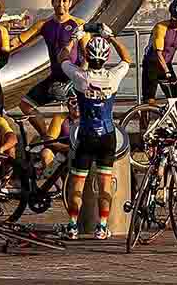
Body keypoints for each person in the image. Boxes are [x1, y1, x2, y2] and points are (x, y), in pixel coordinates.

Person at [61, 30, 132, 240]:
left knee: (77, 185)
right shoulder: (113, 76)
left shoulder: (80, 77)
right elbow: (127, 58)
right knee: (104, 185)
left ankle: (73, 225)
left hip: (86, 135)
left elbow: (62, 58)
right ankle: (102, 226)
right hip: (107, 136)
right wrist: (110, 37)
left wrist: (74, 38)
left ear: (87, 56)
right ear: (106, 57)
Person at [16, 0, 86, 117]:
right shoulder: (44, 24)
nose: (61, 4)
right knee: (25, 104)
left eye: (64, 1)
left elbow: (87, 57)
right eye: (58, 1)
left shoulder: (79, 25)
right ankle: (46, 136)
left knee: (76, 114)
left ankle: (75, 135)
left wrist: (78, 79)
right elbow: (19, 40)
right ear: (52, 3)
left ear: (70, 3)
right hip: (54, 77)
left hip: (74, 78)